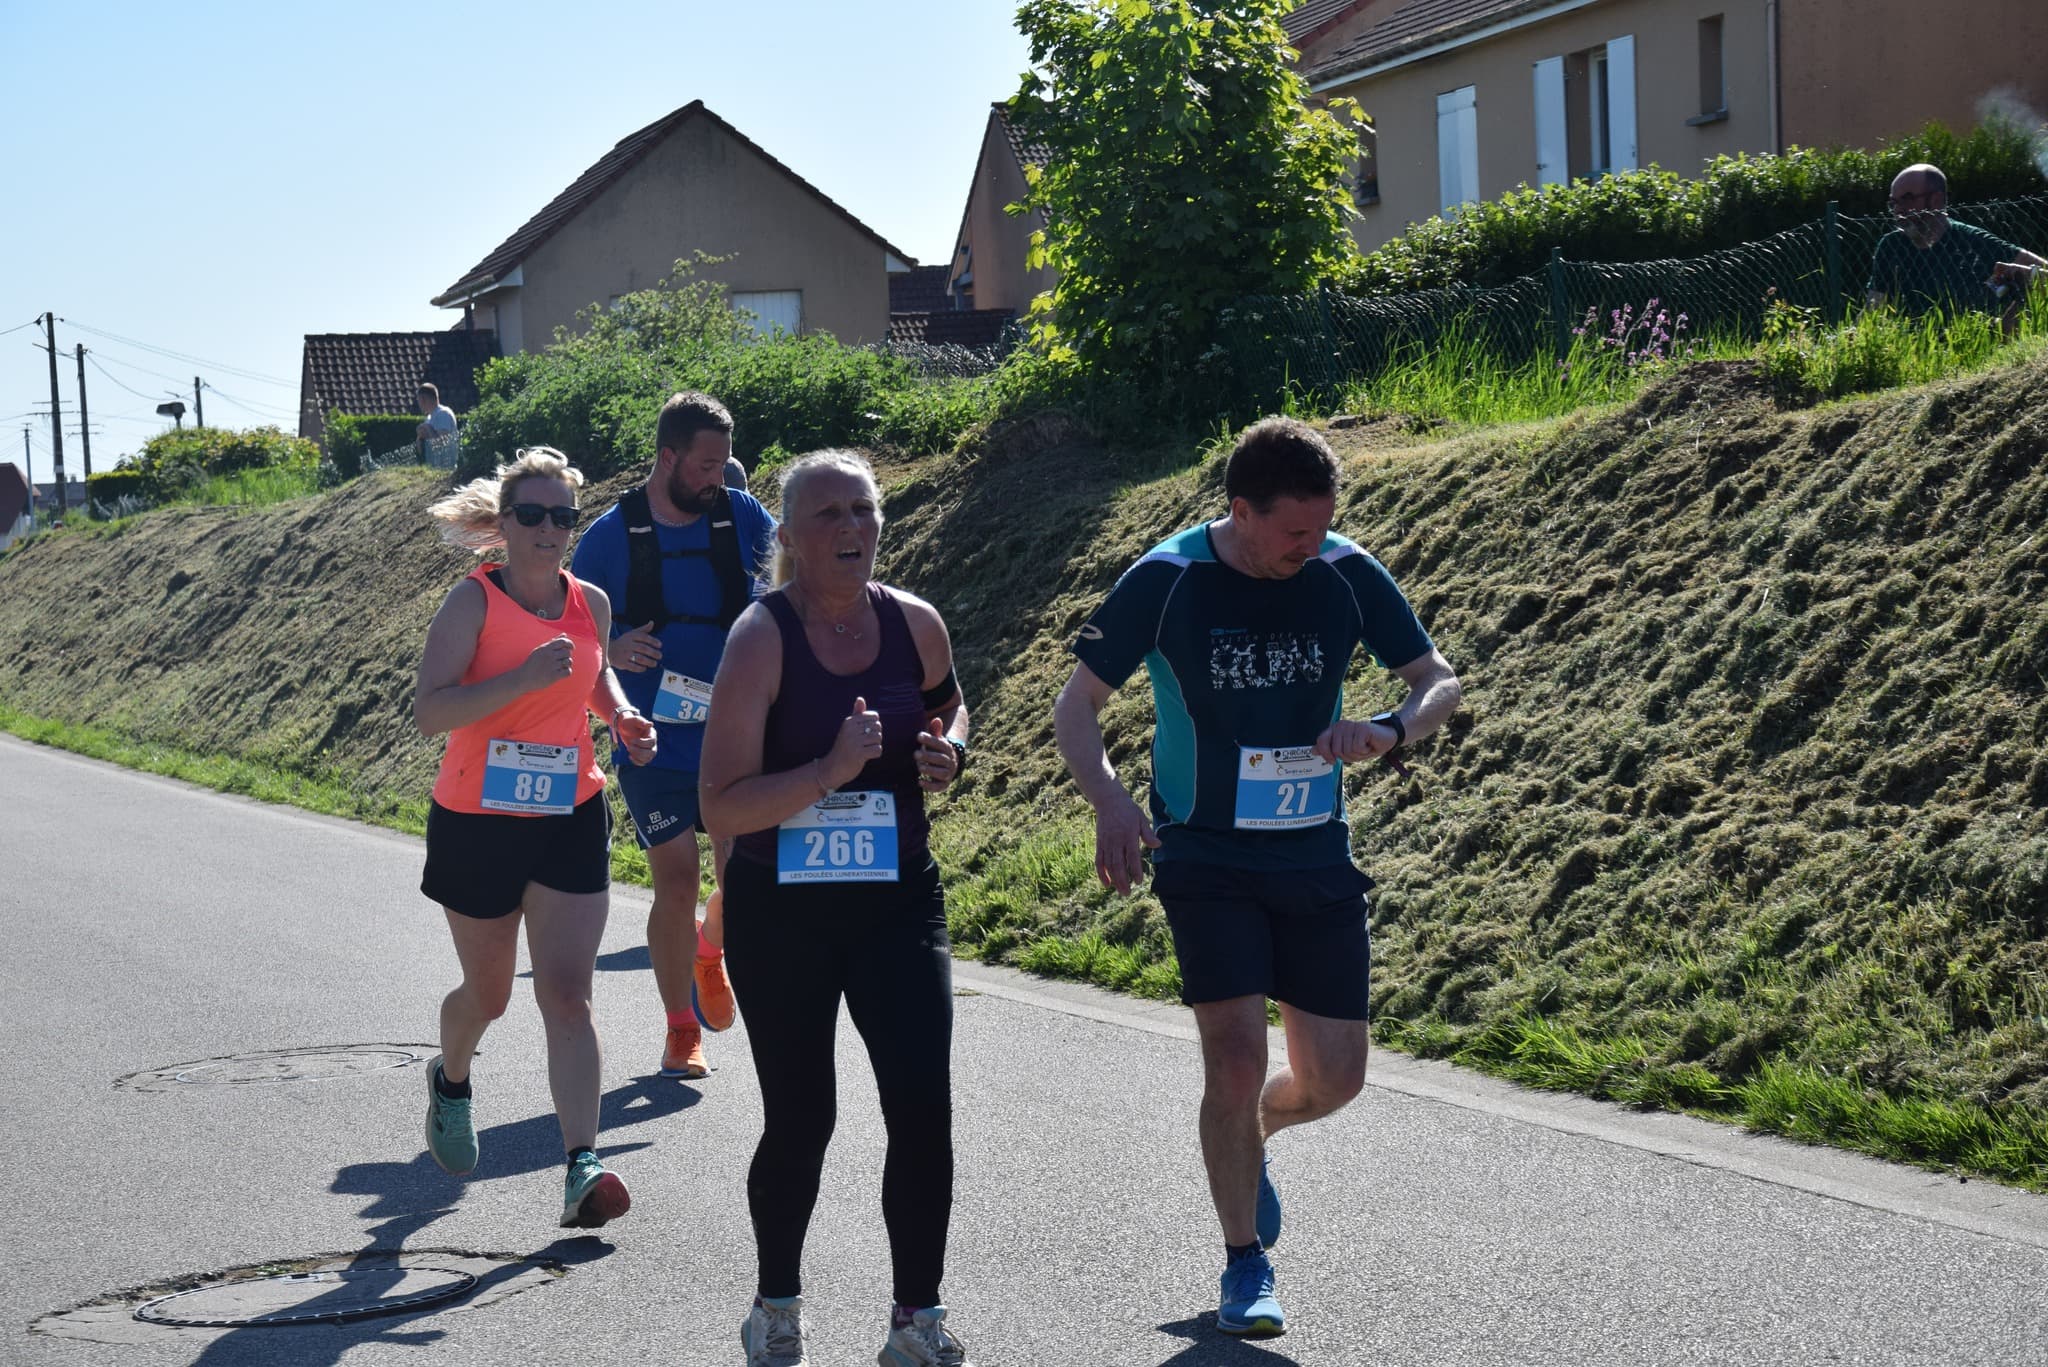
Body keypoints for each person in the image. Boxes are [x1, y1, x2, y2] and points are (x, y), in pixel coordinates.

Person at [1053, 416, 1461, 1339]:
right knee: (1235, 1058)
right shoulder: (1167, 580)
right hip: (1203, 852)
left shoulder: (1346, 571)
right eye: (1293, 537)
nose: (1310, 550)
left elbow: (1438, 677)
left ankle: (1253, 1136)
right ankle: (1245, 1264)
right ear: (1241, 510)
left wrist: (1392, 728)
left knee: (1336, 1080)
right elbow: (1075, 706)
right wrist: (1111, 802)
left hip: (1314, 850)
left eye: (1322, 531)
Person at [699, 449, 975, 1367]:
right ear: (788, 536)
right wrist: (827, 772)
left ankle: (917, 1319)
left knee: (922, 1109)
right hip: (783, 910)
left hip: (897, 901)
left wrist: (950, 754)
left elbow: (951, 708)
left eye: (863, 510)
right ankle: (777, 1303)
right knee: (802, 1117)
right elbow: (722, 805)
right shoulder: (761, 638)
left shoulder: (916, 623)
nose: (851, 529)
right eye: (829, 516)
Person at [413, 445, 658, 1229]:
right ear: (505, 523)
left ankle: (582, 1164)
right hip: (476, 822)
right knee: (489, 995)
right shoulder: (472, 604)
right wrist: (521, 679)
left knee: (567, 995)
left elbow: (591, 673)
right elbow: (431, 711)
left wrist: (617, 712)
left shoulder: (589, 599)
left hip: (568, 812)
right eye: (533, 514)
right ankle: (451, 1078)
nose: (550, 529)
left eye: (563, 516)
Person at [570, 392, 776, 1080]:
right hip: (651, 735)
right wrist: (613, 644)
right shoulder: (611, 533)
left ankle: (709, 952)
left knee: (744, 877)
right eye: (708, 463)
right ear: (668, 457)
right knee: (677, 878)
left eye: (724, 463)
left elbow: (791, 585)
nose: (720, 476)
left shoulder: (742, 515)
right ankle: (680, 1028)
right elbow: (573, 632)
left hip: (735, 729)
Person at [1865, 163, 2045, 331]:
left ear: (1936, 199)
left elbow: (2044, 272)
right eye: (1894, 203)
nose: (1898, 210)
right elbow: (1873, 308)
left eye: (1907, 199)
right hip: (1914, 352)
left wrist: (2026, 276)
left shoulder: (1974, 242)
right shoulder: (1891, 246)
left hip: (1976, 351)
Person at [416, 382, 459, 448]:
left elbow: (442, 443)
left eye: (418, 400)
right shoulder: (429, 418)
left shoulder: (443, 414)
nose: (419, 404)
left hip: (446, 458)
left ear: (423, 400)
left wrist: (427, 427)